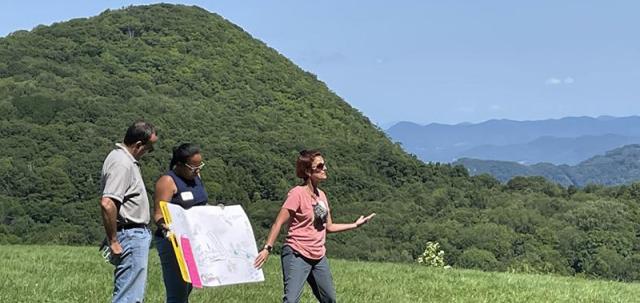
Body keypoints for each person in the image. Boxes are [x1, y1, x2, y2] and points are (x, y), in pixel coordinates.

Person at [254, 149, 376, 303]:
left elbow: (328, 227)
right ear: (307, 171)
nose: (325, 168)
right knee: (291, 301)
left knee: (330, 299)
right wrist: (267, 249)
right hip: (297, 253)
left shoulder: (322, 196)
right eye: (320, 166)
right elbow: (278, 222)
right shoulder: (296, 194)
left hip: (318, 257)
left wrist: (355, 225)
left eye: (324, 165)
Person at [100, 120, 158, 303]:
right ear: (139, 145)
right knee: (129, 296)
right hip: (130, 233)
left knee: (130, 293)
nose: (150, 152)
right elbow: (108, 203)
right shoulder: (122, 163)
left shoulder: (122, 159)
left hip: (133, 233)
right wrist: (114, 240)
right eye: (150, 148)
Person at [153, 143, 208, 303]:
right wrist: (168, 229)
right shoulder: (167, 181)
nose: (198, 170)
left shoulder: (196, 177)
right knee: (177, 291)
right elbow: (158, 214)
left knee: (188, 286)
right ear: (180, 164)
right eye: (193, 167)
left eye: (200, 166)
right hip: (174, 242)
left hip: (194, 241)